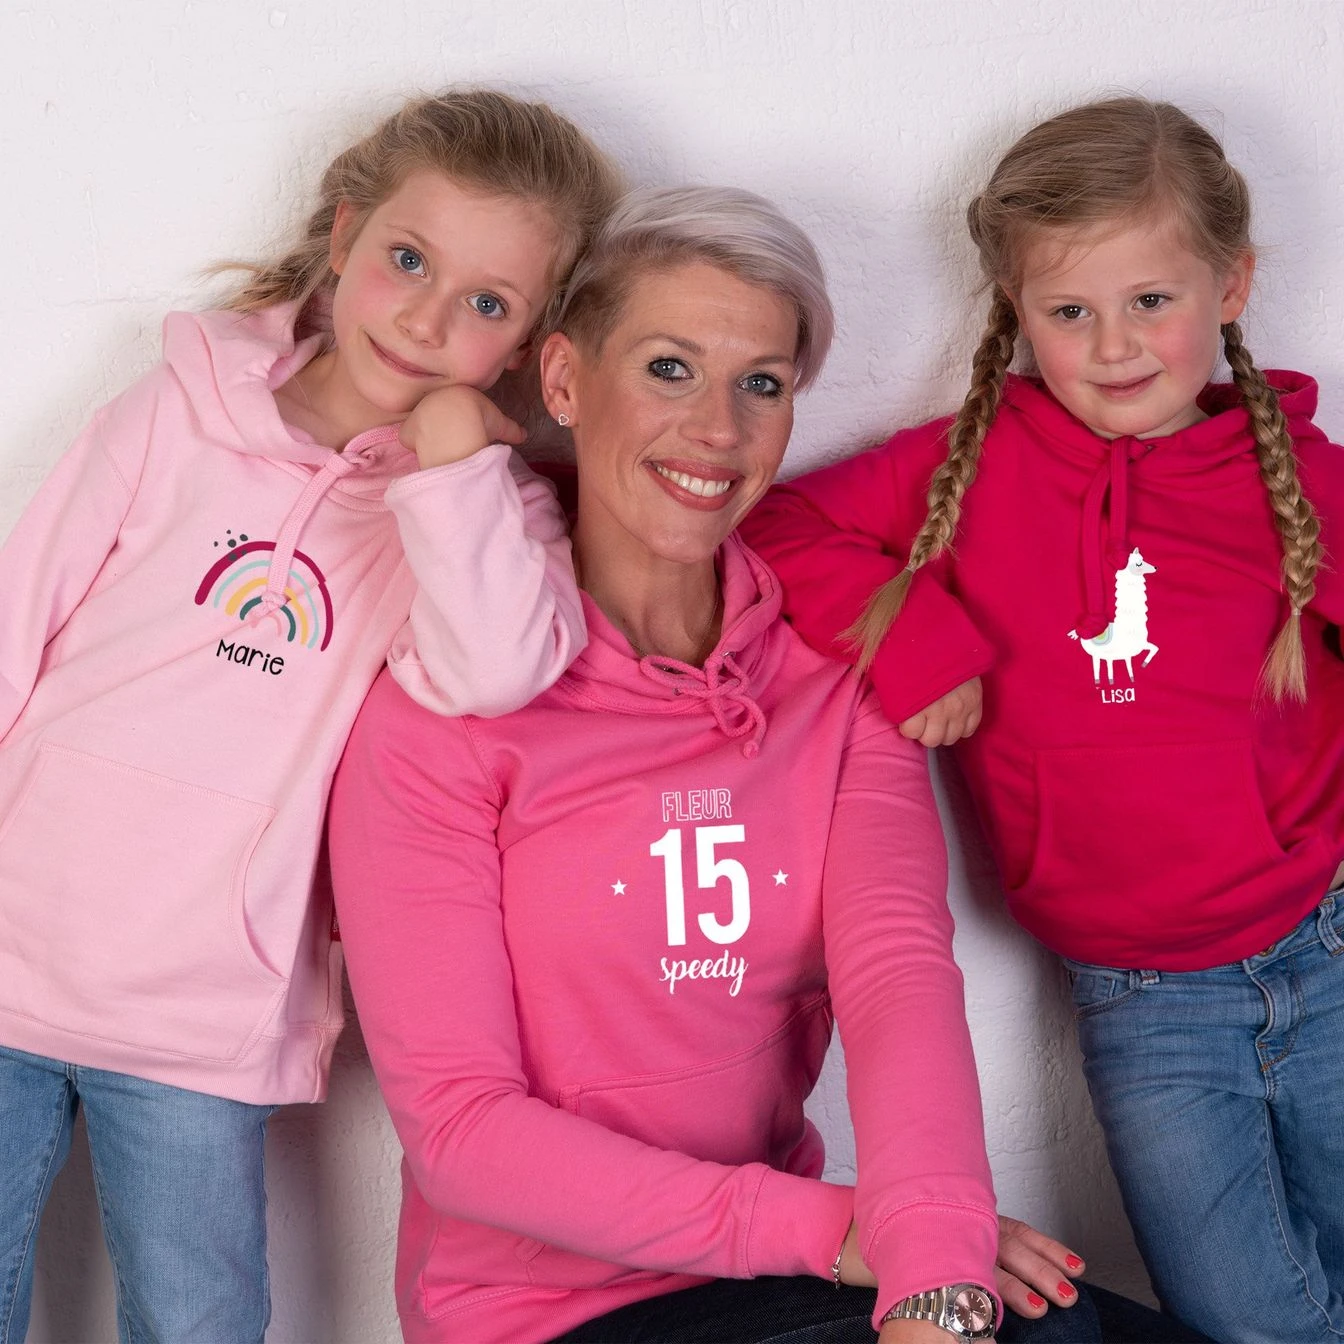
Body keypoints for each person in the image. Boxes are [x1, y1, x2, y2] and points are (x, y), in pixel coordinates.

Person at [329, 184, 1205, 1344]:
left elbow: (897, 977)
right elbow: (461, 1132)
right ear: (564, 381)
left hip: (779, 1282)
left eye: (763, 384)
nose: (718, 429)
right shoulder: (439, 714)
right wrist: (852, 1233)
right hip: (548, 1314)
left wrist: (933, 1260)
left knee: (1059, 1329)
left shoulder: (831, 675)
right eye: (669, 369)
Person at [0, 88, 621, 1341]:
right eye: (410, 259)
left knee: (201, 1319)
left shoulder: (486, 518)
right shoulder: (174, 412)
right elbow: (16, 623)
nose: (429, 318)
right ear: (344, 235)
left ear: (532, 342)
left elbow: (494, 673)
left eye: (487, 304)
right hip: (6, 945)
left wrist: (453, 464)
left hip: (203, 1013)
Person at [739, 96, 1344, 1344]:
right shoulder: (969, 469)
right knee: (1243, 1322)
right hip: (1146, 1005)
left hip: (1326, 951)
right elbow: (775, 526)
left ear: (1230, 285)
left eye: (1151, 300)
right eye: (1069, 312)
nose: (1114, 346)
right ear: (1018, 312)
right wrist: (916, 642)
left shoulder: (1300, 479)